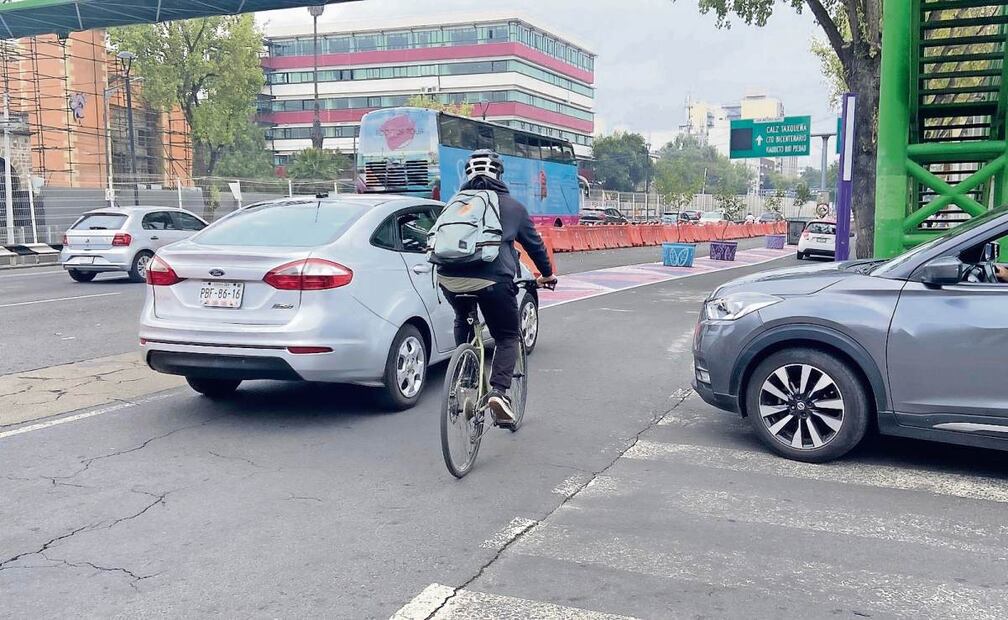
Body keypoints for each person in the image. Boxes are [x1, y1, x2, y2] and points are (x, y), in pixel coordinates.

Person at [437, 150, 557, 425]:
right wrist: (547, 274)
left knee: (463, 317)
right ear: (499, 175)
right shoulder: (512, 207)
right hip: (493, 279)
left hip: (448, 277)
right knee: (507, 335)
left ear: (467, 175)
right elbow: (535, 247)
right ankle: (499, 393)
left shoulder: (454, 203)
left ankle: (465, 374)